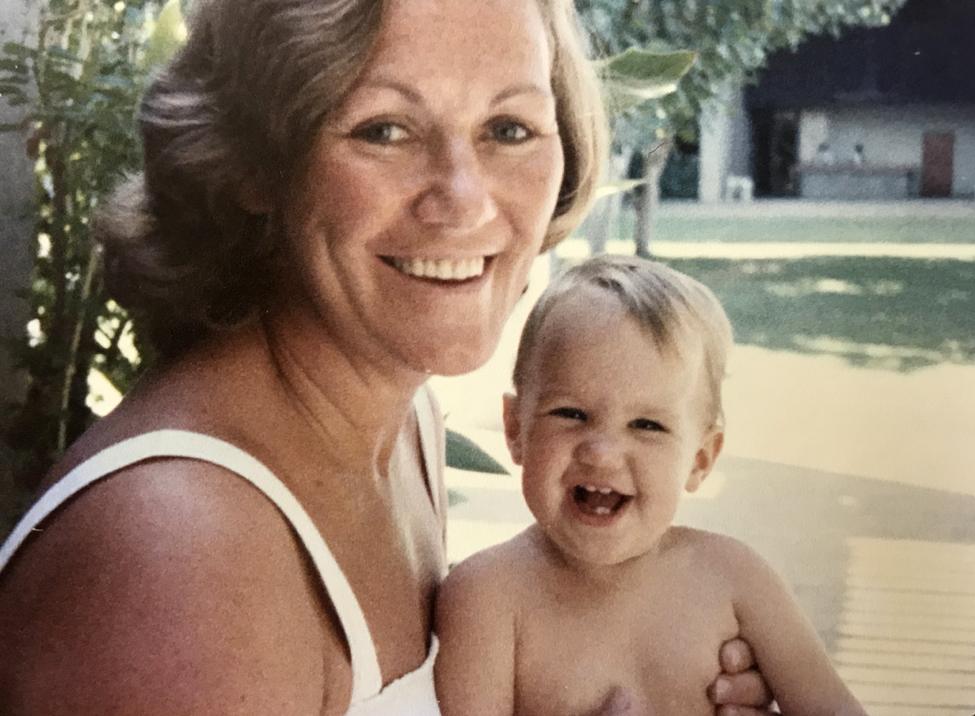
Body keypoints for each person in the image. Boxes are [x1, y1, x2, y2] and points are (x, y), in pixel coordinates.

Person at [0, 0, 774, 713]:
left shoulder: (403, 423)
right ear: (251, 165)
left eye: (509, 129)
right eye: (385, 130)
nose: (464, 199)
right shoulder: (183, 555)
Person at [435, 255, 867, 715]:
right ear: (515, 429)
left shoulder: (735, 580)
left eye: (647, 425)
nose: (600, 452)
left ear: (700, 459)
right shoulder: (487, 600)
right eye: (571, 414)